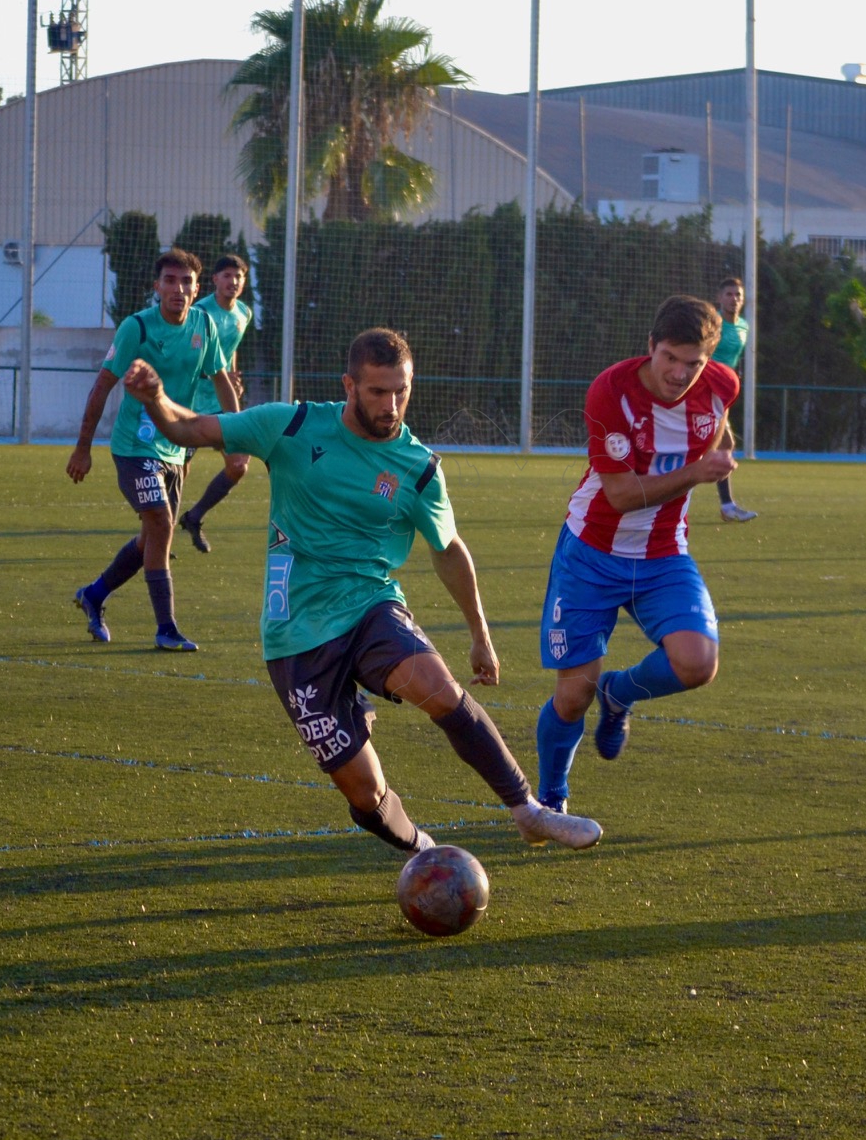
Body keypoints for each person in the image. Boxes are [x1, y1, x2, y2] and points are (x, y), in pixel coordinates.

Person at [124, 327, 601, 855]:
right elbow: (190, 427)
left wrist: (480, 634)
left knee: (438, 688)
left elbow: (447, 549)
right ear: (349, 385)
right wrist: (156, 399)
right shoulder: (293, 425)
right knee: (366, 792)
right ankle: (426, 853)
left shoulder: (418, 468)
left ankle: (527, 810)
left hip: (371, 606)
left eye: (401, 390)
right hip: (295, 633)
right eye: (377, 391)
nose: (391, 404)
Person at [533, 295, 740, 814]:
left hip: (664, 552)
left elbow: (713, 434)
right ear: (652, 346)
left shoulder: (721, 387)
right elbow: (621, 495)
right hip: (591, 552)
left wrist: (714, 457)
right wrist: (696, 473)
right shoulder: (612, 391)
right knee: (572, 695)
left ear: (709, 360)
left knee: (698, 664)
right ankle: (551, 802)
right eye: (670, 357)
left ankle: (620, 693)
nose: (679, 373)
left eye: (693, 363)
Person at [66, 248, 238, 649]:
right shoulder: (137, 328)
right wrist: (82, 448)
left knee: (153, 539)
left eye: (186, 282)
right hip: (134, 446)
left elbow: (222, 380)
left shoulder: (204, 326)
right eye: (170, 281)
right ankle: (167, 629)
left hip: (178, 447)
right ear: (157, 287)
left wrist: (237, 437)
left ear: (197, 290)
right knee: (160, 523)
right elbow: (102, 387)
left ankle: (94, 594)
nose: (178, 289)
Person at [176, 253, 256, 554]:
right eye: (227, 276)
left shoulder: (244, 314)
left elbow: (228, 350)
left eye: (238, 277)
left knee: (238, 464)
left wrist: (231, 374)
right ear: (215, 280)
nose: (233, 282)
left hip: (223, 401)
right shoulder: (199, 312)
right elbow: (188, 354)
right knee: (179, 470)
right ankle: (160, 534)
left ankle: (194, 517)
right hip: (192, 403)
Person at [709, 275, 757, 522]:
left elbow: (733, 360)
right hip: (706, 392)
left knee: (720, 446)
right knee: (724, 445)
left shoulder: (744, 326)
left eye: (738, 295)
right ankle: (727, 506)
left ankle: (727, 506)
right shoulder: (712, 324)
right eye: (728, 294)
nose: (734, 299)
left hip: (723, 395)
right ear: (719, 298)